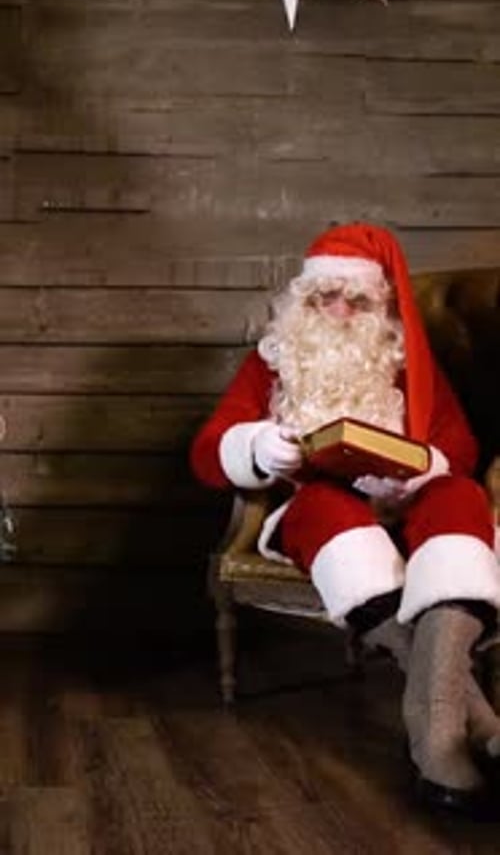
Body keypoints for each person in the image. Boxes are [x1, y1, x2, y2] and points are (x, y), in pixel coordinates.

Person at [191, 221, 500, 812]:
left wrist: (418, 466)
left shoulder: (409, 367)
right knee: (327, 510)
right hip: (321, 508)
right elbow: (208, 451)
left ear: (379, 307)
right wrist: (257, 447)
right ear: (302, 302)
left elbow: (458, 448)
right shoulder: (271, 366)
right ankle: (456, 737)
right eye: (323, 296)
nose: (337, 310)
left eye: (355, 299)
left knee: (458, 496)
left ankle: (445, 734)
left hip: (406, 501)